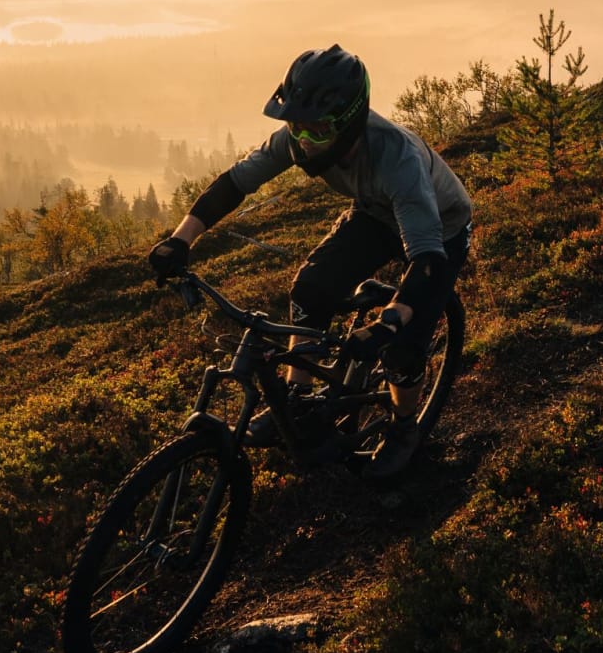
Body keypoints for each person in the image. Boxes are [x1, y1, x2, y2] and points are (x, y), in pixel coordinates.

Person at [145, 44, 473, 476]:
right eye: (295, 126)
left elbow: (427, 260)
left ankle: (404, 427)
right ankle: (297, 404)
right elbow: (234, 184)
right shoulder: (297, 139)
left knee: (402, 350)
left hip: (441, 231)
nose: (303, 139)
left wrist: (389, 323)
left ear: (350, 122)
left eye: (316, 130)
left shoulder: (398, 159)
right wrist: (180, 240)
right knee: (310, 289)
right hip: (374, 213)